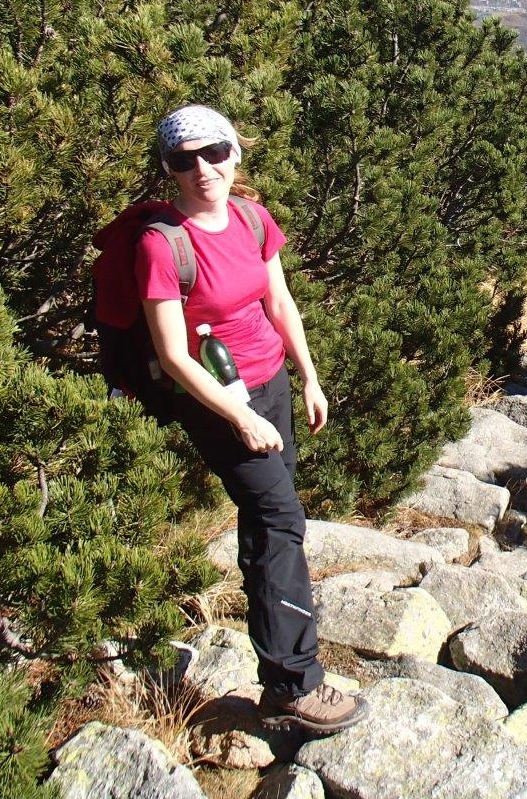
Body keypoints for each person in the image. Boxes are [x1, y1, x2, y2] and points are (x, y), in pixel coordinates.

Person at [136, 105, 366, 733]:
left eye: (213, 153)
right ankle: (294, 684)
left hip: (270, 386)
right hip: (218, 402)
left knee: (267, 528)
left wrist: (309, 377)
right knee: (281, 521)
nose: (201, 169)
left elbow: (279, 300)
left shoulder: (251, 217)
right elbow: (174, 356)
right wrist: (238, 415)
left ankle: (274, 672)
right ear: (168, 168)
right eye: (183, 160)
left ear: (235, 154)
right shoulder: (163, 246)